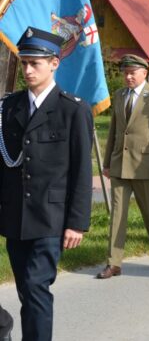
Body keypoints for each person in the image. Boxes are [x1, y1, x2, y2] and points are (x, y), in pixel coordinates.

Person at [0, 27, 93, 340]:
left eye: (34, 63)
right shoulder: (8, 108)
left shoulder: (73, 109)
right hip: (15, 217)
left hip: (51, 218)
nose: (27, 69)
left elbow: (82, 170)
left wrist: (77, 223)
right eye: (24, 62)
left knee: (37, 286)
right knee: (27, 288)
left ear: (54, 63)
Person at [97, 54, 149, 279]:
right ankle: (114, 263)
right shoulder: (120, 95)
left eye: (133, 72)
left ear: (144, 73)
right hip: (120, 164)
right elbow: (114, 131)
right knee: (117, 214)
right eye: (125, 72)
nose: (128, 76)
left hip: (145, 166)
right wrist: (108, 162)